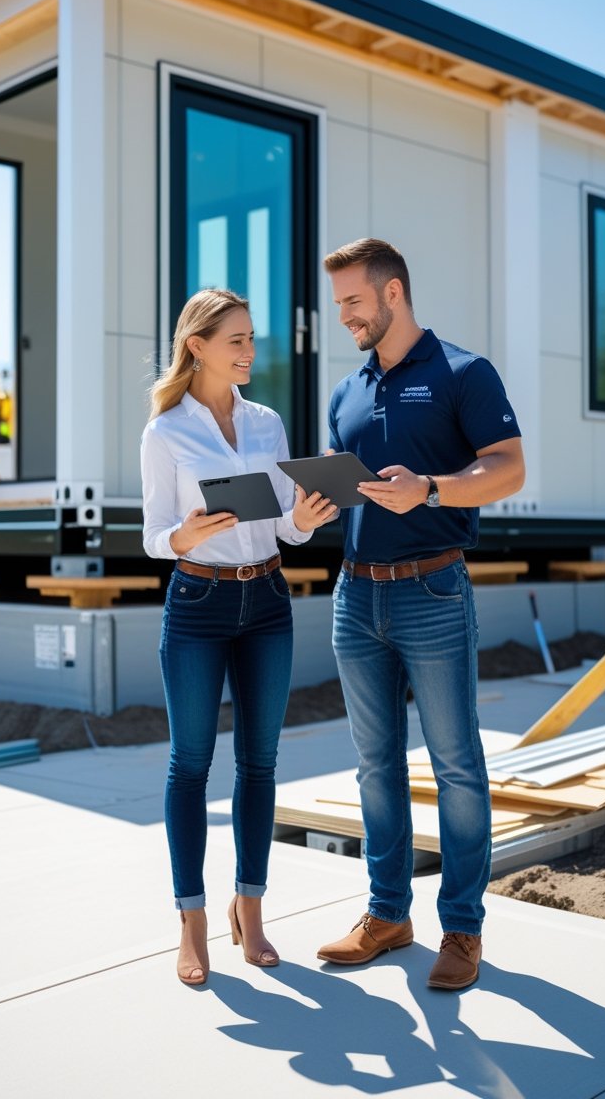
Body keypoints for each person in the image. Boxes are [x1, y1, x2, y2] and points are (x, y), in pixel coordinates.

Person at [314, 239, 525, 990]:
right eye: (338, 303)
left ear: (393, 292)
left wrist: (430, 488)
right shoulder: (346, 392)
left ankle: (462, 931)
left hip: (434, 593)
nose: (342, 316)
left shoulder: (463, 373)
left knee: (457, 767)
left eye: (352, 302)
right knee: (375, 768)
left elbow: (507, 466)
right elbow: (346, 488)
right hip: (355, 594)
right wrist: (315, 504)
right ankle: (387, 914)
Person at [141, 288, 336, 986]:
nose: (251, 352)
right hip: (197, 602)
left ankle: (249, 912)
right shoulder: (165, 432)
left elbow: (284, 524)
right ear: (197, 346)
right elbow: (153, 536)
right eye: (237, 341)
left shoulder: (267, 423)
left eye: (253, 338)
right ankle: (190, 922)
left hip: (268, 601)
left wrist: (307, 517)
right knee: (190, 764)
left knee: (260, 763)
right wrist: (182, 535)